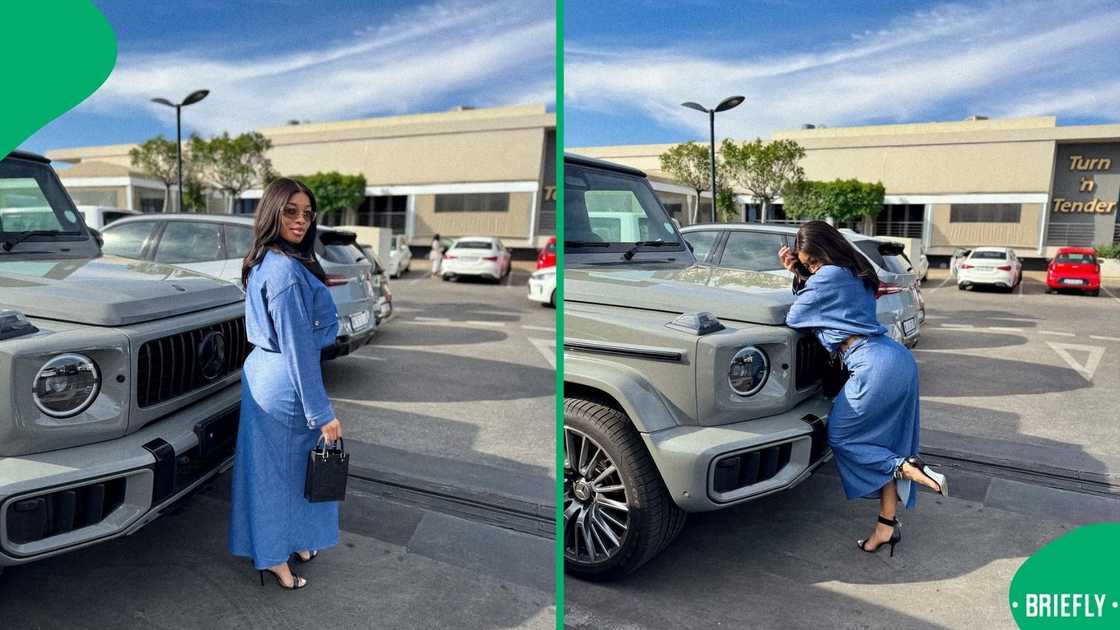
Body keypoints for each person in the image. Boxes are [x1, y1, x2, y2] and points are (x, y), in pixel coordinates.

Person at [779, 221, 948, 557]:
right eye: (808, 264)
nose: (812, 268)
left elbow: (795, 317)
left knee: (841, 437)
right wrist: (802, 272)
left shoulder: (827, 275)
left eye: (813, 261)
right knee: (885, 446)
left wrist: (801, 276)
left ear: (824, 252)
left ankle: (907, 467)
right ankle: (886, 526)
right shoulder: (859, 272)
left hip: (870, 364)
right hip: (897, 359)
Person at [229, 177, 344, 589]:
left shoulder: (267, 260)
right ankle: (275, 556)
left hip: (264, 372)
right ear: (271, 213)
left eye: (307, 213)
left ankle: (292, 542)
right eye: (290, 211)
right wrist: (322, 413)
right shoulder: (287, 272)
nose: (301, 220)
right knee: (281, 476)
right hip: (285, 384)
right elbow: (297, 348)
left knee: (279, 471)